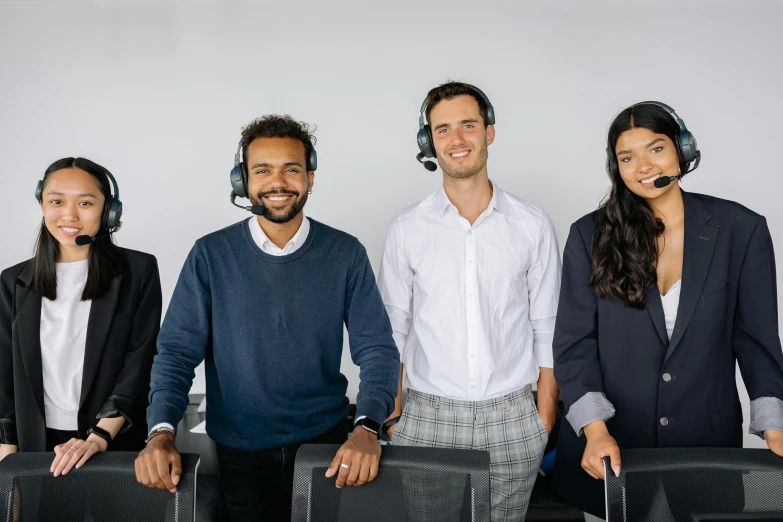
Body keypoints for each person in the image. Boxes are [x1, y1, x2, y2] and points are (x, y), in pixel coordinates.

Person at [134, 115, 400, 522]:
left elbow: (378, 349)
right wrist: (160, 431)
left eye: (291, 169)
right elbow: (175, 354)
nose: (278, 182)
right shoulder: (210, 255)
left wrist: (368, 428)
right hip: (239, 453)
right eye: (263, 170)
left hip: (325, 448)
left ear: (310, 177)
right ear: (242, 180)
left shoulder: (345, 253)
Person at [551, 102, 783, 521]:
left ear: (682, 150)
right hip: (611, 446)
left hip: (704, 447)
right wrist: (595, 430)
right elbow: (574, 344)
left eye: (655, 149)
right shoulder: (590, 235)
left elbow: (756, 339)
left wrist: (774, 422)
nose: (642, 166)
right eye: (627, 157)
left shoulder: (740, 229)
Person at [378, 81, 561, 521]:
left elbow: (549, 327)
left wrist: (543, 419)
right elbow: (392, 329)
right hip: (426, 418)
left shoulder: (532, 225)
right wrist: (396, 414)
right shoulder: (407, 229)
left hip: (513, 416)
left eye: (468, 125)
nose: (456, 140)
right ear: (429, 142)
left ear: (489, 132)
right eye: (442, 129)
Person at [0, 157, 161, 473]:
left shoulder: (138, 271)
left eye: (85, 203)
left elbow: (141, 361)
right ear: (43, 205)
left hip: (112, 442)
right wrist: (7, 467)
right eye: (56, 201)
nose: (69, 215)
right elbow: (3, 376)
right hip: (35, 447)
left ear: (110, 211)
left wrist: (99, 436)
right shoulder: (12, 281)